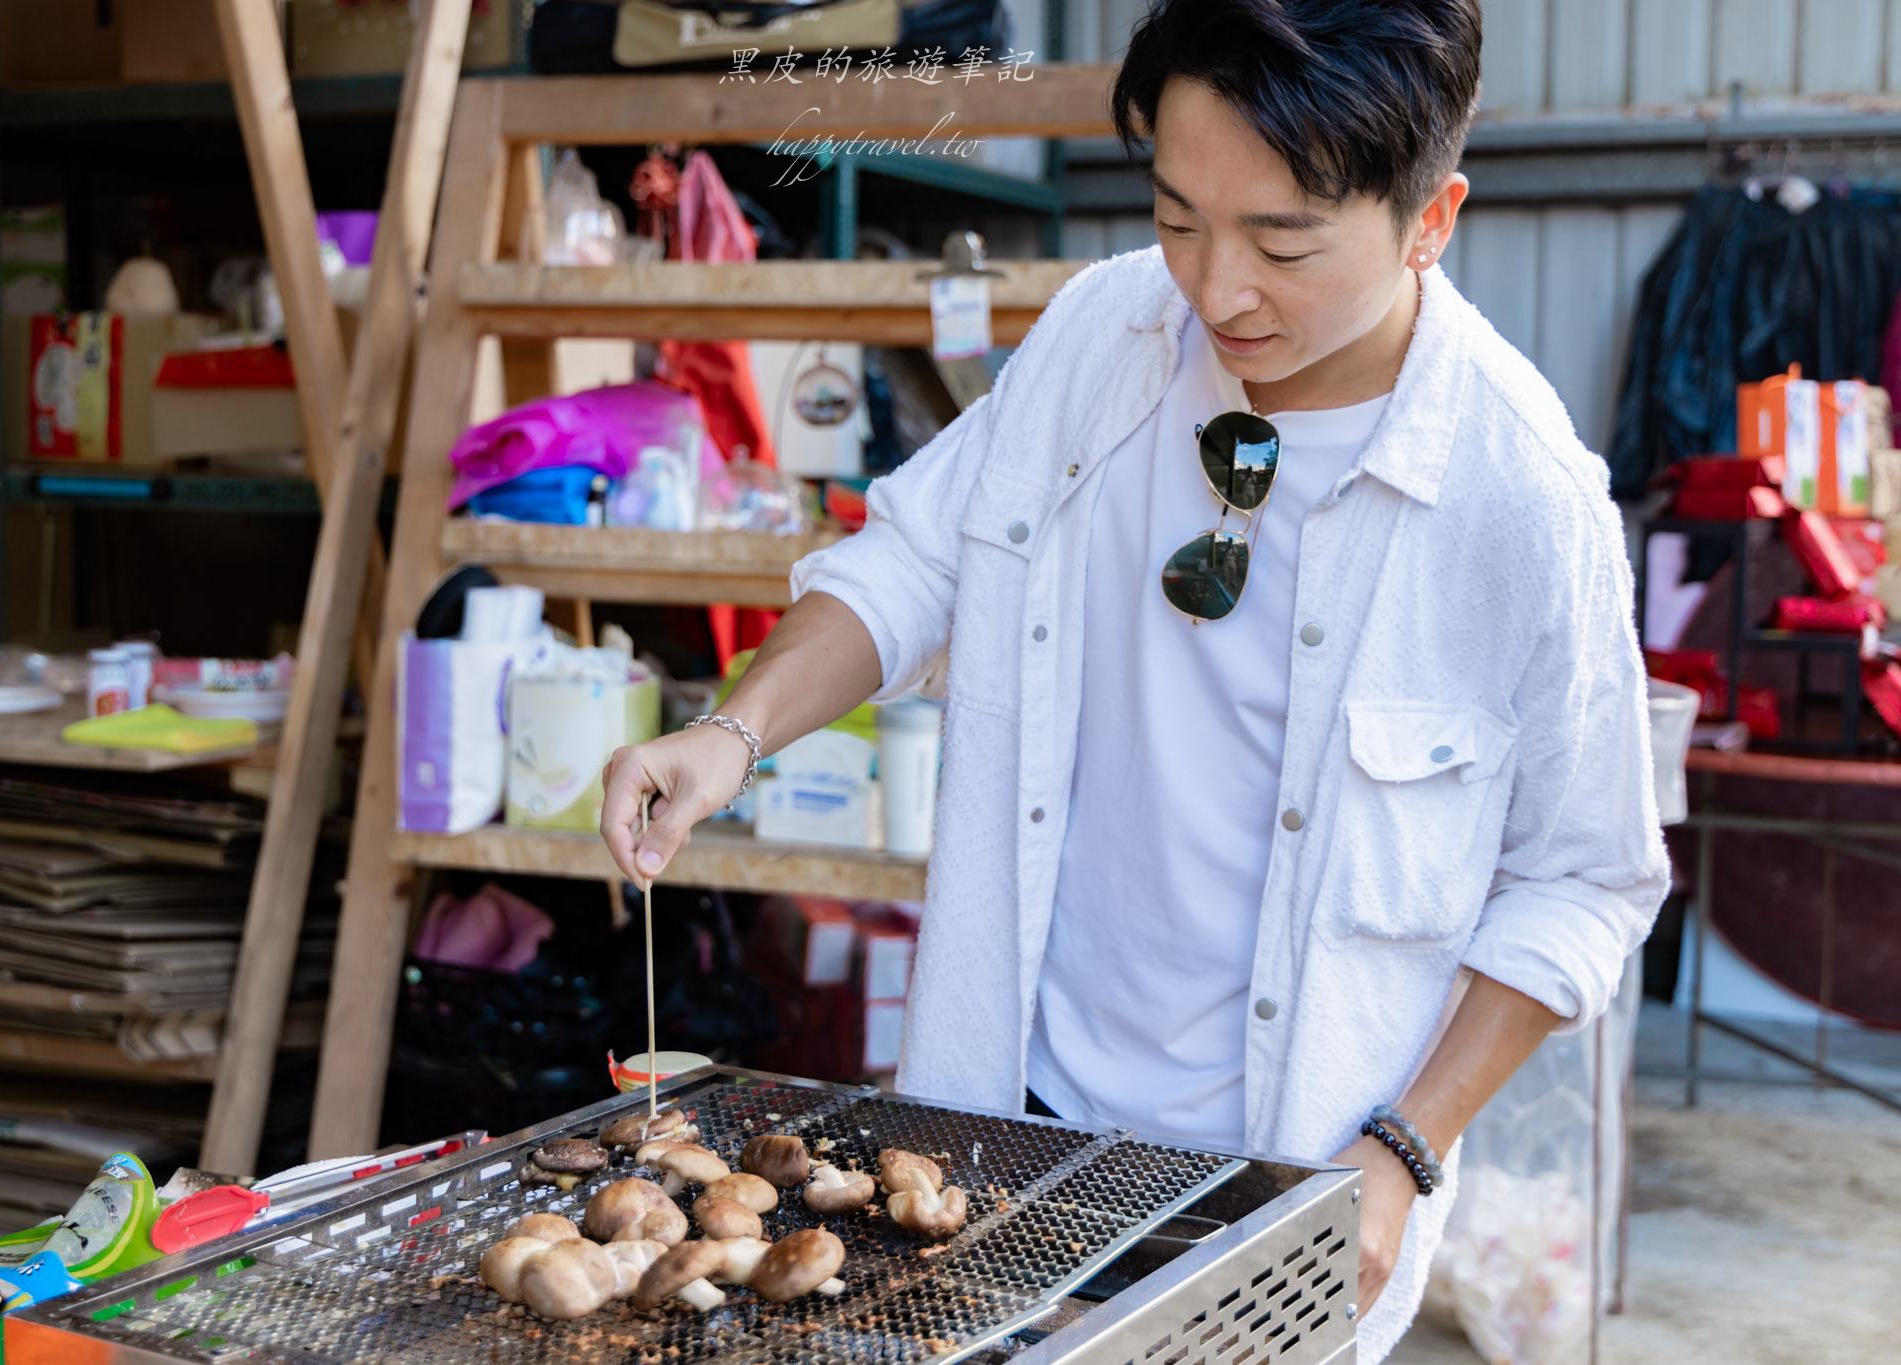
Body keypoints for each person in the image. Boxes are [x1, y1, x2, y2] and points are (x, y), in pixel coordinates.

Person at [600, 2, 1670, 1359]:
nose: (1217, 292)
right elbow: (917, 559)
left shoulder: (1522, 500)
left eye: (1282, 241)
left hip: (1286, 1187)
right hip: (1005, 1127)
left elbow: (1587, 877)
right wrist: (732, 734)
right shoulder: (1104, 333)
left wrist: (1405, 1150)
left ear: (1429, 219)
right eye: (1177, 217)